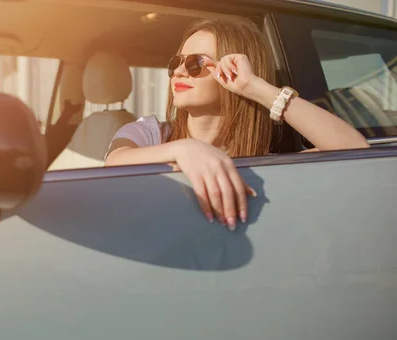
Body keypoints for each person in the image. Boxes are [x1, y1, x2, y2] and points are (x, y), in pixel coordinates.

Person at [104, 15, 369, 231]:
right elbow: (114, 163)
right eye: (176, 62)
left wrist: (253, 86)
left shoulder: (267, 158)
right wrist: (183, 149)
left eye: (196, 63)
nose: (180, 71)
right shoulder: (151, 132)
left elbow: (355, 149)